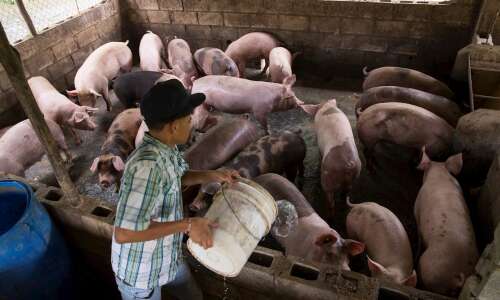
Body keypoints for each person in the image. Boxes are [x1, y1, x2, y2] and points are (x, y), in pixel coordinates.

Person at [111, 79, 239, 300]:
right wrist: (189, 224)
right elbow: (124, 233)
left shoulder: (166, 148)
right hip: (141, 273)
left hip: (167, 255)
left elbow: (176, 178)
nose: (191, 123)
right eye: (189, 119)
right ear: (173, 126)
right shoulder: (147, 167)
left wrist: (213, 175)